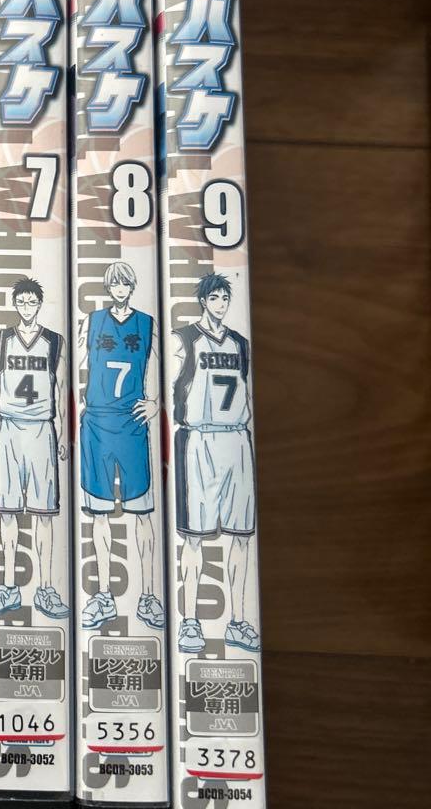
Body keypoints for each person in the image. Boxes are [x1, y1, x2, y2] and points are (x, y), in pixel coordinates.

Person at [173, 273, 259, 654]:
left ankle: (237, 620)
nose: (221, 304)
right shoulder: (184, 339)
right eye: (214, 298)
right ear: (203, 301)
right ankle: (191, 620)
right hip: (199, 438)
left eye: (225, 298)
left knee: (241, 537)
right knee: (194, 536)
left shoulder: (241, 343)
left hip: (237, 438)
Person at [79, 262, 165, 632]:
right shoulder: (92, 321)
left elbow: (159, 368)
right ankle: (103, 594)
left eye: (124, 283)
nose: (119, 288)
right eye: (114, 283)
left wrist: (156, 401)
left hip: (131, 424)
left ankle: (148, 595)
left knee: (142, 513)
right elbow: (75, 365)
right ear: (108, 287)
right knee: (99, 513)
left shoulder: (146, 324)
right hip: (98, 423)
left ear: (131, 287)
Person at [0, 279, 70, 619]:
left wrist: (62, 434)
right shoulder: (1, 339)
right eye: (21, 301)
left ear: (39, 304)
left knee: (43, 514)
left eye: (32, 301)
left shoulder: (54, 341)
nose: (26, 307)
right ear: (14, 304)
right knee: (7, 511)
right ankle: (8, 586)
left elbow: (61, 390)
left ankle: (46, 588)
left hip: (41, 429)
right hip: (8, 427)